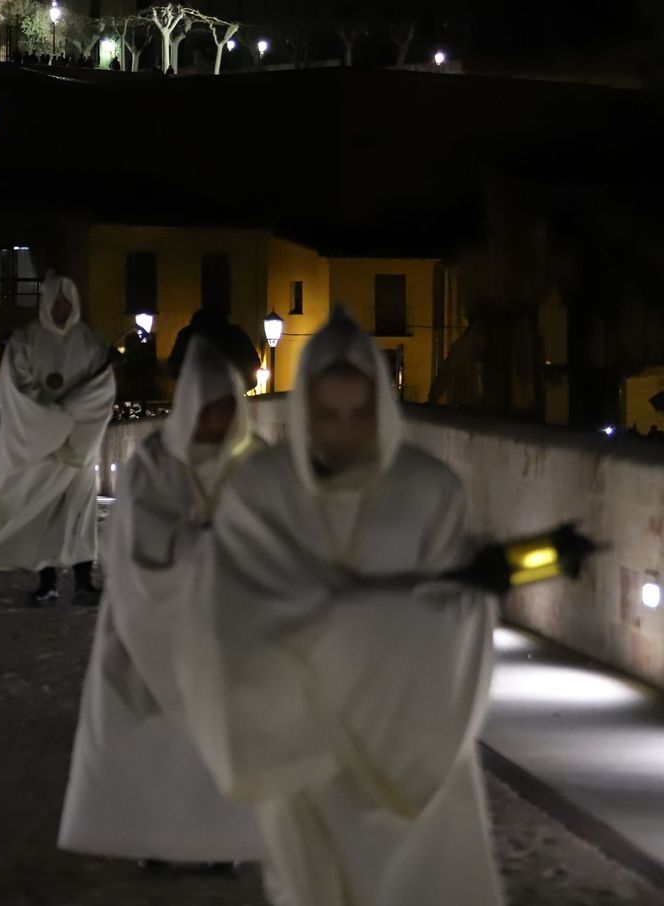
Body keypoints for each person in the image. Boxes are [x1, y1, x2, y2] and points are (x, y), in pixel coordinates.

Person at [178, 309, 501, 906]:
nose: (345, 430)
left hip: (407, 743)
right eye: (328, 414)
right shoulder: (262, 490)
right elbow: (233, 609)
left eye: (360, 413)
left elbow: (459, 614)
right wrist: (382, 614)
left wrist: (332, 617)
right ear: (304, 410)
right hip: (302, 747)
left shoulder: (430, 491)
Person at [59, 338, 262, 866]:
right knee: (160, 739)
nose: (216, 421)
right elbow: (136, 543)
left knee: (221, 738)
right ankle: (157, 838)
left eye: (225, 408)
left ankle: (222, 842)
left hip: (229, 627)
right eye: (208, 407)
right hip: (154, 621)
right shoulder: (154, 462)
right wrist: (212, 545)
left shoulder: (256, 464)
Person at [0, 274, 115, 605]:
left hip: (77, 447)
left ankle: (83, 581)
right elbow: (15, 386)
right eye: (57, 300)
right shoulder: (26, 340)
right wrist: (48, 421)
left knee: (79, 514)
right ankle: (48, 583)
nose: (62, 307)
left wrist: (70, 420)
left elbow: (100, 389)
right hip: (41, 447)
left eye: (68, 300)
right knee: (43, 513)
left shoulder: (89, 341)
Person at [167, 307, 260, 384]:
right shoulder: (236, 334)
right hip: (229, 392)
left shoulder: (187, 335)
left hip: (197, 393)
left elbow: (173, 367)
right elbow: (254, 362)